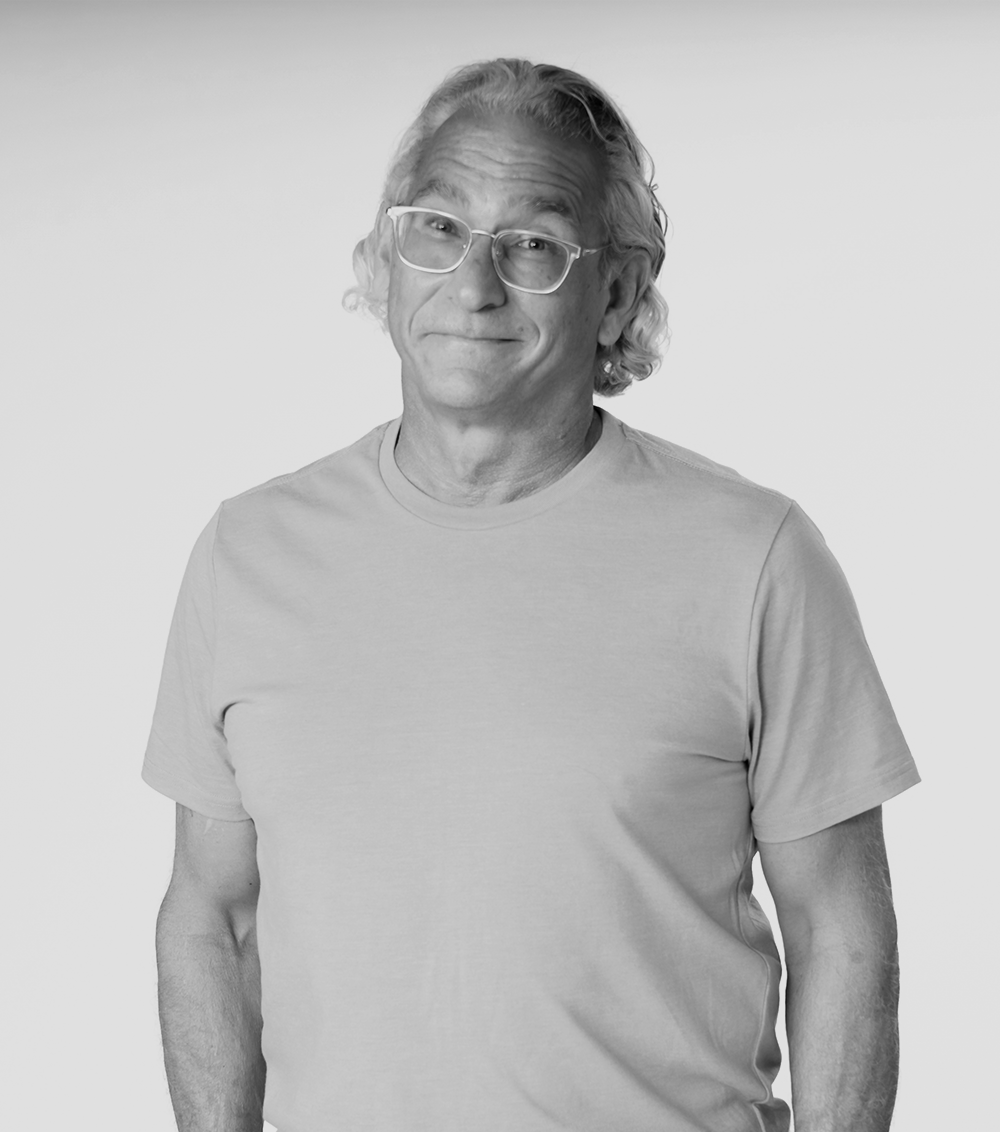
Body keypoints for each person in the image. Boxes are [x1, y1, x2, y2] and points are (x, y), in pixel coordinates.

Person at [143, 58, 919, 1132]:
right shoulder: (249, 553)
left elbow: (842, 933)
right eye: (438, 228)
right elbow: (212, 917)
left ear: (618, 296)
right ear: (384, 262)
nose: (475, 285)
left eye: (534, 245)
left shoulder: (756, 558)